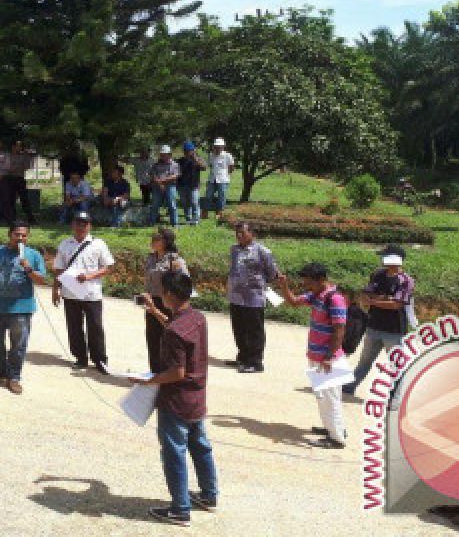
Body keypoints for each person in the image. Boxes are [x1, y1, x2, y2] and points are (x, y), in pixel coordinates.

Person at [142, 270, 219, 524]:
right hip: (196, 398)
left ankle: (179, 508)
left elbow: (177, 371)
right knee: (200, 446)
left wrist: (149, 380)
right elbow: (178, 331)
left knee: (174, 452)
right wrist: (155, 312)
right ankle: (209, 495)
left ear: (170, 294)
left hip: (175, 401)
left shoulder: (175, 330)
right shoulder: (196, 318)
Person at [276, 263, 349, 449]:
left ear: (321, 280)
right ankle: (333, 428)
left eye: (309, 282)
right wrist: (284, 286)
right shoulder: (317, 295)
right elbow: (293, 302)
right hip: (317, 356)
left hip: (327, 358)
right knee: (325, 396)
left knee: (329, 398)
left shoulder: (334, 299)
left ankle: (336, 439)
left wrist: (328, 357)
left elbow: (339, 330)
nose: (306, 285)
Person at [0, 220, 48, 394]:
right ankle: (0, 370)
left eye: (24, 235)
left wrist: (28, 269)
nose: (20, 238)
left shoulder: (33, 255)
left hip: (21, 309)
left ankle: (14, 377)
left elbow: (42, 280)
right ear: (10, 234)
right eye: (17, 234)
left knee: (18, 345)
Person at [343, 245, 416, 397]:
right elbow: (366, 294)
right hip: (374, 326)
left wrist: (375, 301)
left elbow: (396, 304)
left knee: (396, 365)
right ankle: (350, 386)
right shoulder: (377, 274)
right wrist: (384, 299)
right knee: (365, 360)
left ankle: (396, 396)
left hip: (395, 331)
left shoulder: (406, 280)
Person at [52, 211, 115, 374]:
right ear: (72, 225)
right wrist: (55, 288)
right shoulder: (65, 244)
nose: (81, 226)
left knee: (95, 327)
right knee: (74, 327)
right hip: (69, 292)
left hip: (91, 293)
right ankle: (80, 357)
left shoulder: (98, 244)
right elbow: (58, 268)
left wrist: (89, 276)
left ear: (89, 226)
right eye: (78, 223)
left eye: (84, 223)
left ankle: (100, 359)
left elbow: (108, 267)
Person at [227, 222, 280, 373]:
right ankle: (243, 357)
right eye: (237, 233)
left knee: (254, 330)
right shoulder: (234, 250)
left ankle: (255, 362)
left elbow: (271, 272)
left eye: (242, 233)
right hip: (236, 296)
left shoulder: (262, 251)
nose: (239, 236)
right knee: (239, 328)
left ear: (252, 234)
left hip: (253, 297)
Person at [140, 228, 191, 374]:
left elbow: (185, 281)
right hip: (151, 301)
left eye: (157, 238)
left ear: (165, 242)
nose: (153, 241)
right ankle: (155, 372)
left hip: (168, 302)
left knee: (168, 337)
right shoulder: (151, 257)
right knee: (152, 337)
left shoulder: (175, 260)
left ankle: (168, 372)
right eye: (153, 238)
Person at [149, 145, 181, 227]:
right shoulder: (156, 165)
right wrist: (159, 183)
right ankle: (151, 222)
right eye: (162, 154)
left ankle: (175, 223)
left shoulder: (175, 164)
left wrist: (162, 181)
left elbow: (175, 175)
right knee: (155, 205)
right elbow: (152, 174)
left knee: (172, 205)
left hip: (170, 186)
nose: (163, 156)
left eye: (165, 154)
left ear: (169, 154)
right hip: (157, 187)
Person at [176, 141, 206, 226]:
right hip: (182, 185)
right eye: (186, 150)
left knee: (194, 202)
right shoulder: (180, 160)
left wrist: (195, 159)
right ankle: (188, 218)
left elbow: (204, 167)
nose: (188, 152)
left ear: (193, 150)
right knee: (185, 203)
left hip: (194, 185)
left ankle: (196, 219)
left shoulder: (198, 159)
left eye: (190, 150)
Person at [6, 140, 36, 223]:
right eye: (17, 146)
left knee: (25, 199)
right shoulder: (8, 156)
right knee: (11, 199)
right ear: (12, 147)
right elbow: (8, 168)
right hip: (10, 179)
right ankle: (11, 218)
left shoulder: (24, 156)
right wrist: (19, 166)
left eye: (20, 146)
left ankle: (30, 218)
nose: (18, 148)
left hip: (20, 179)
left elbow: (27, 166)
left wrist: (16, 166)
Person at [205, 138, 235, 217]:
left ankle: (220, 213)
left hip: (223, 180)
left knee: (222, 196)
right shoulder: (211, 155)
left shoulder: (227, 155)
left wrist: (226, 175)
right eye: (216, 146)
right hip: (212, 179)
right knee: (208, 196)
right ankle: (205, 212)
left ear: (223, 147)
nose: (217, 148)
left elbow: (231, 167)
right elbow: (210, 165)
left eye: (219, 146)